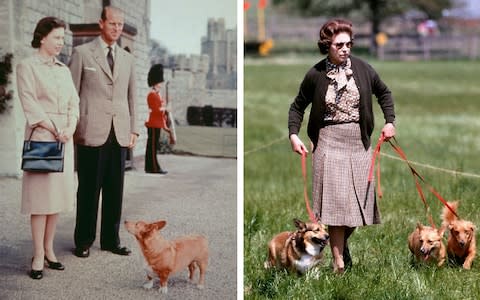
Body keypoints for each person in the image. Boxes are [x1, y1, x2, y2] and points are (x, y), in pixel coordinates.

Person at [288, 19, 396, 274]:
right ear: (327, 45)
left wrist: (390, 122)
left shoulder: (363, 69)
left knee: (358, 208)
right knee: (336, 208)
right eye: (339, 45)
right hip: (328, 141)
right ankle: (339, 264)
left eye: (348, 44)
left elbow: (384, 93)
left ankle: (340, 244)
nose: (345, 49)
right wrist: (294, 135)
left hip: (359, 142)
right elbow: (297, 106)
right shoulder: (315, 74)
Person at [69, 6, 138, 258]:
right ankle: (84, 240)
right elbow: (71, 93)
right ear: (101, 23)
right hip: (91, 131)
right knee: (88, 189)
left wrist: (134, 130)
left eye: (120, 25)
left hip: (119, 132)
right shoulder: (82, 53)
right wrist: (73, 126)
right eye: (112, 24)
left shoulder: (128, 59)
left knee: (114, 190)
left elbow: (132, 97)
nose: (117, 28)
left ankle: (111, 240)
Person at [16, 17, 79, 279]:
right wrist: (55, 129)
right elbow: (30, 104)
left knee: (56, 200)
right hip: (43, 138)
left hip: (65, 139)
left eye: (63, 39)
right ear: (42, 38)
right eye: (56, 38)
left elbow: (74, 103)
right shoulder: (27, 67)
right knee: (41, 202)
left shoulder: (64, 70)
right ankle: (38, 255)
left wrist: (71, 128)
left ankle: (50, 249)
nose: (61, 44)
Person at [144, 64, 175, 174]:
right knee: (152, 148)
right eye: (160, 82)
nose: (161, 85)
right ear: (156, 83)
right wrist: (166, 109)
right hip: (153, 123)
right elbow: (156, 110)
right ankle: (153, 168)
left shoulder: (157, 94)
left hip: (156, 123)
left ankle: (150, 167)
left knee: (153, 147)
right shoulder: (152, 95)